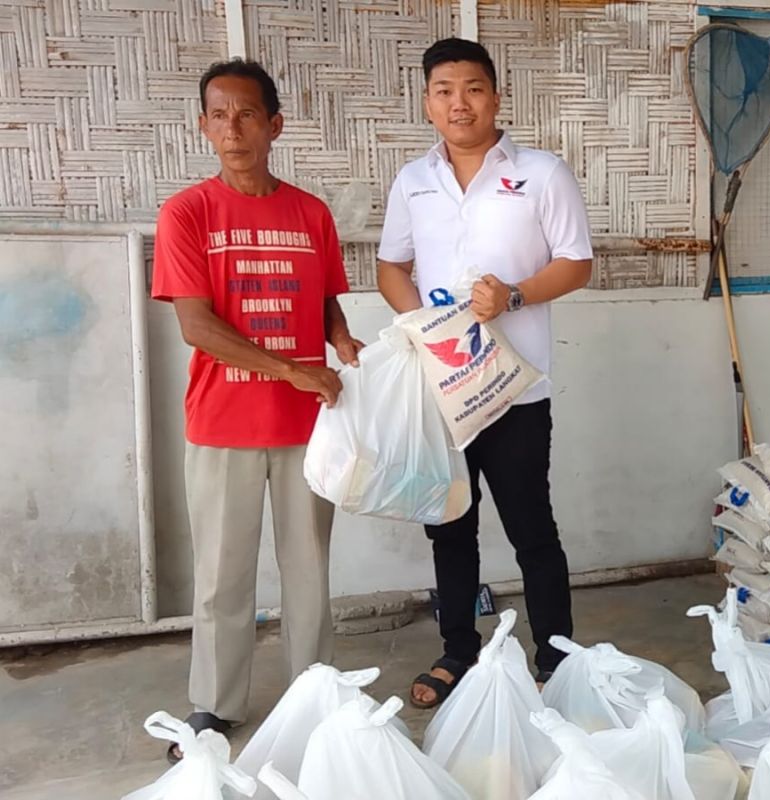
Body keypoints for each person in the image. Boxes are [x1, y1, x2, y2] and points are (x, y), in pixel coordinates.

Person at [151, 58, 363, 760]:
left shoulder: (311, 213)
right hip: (223, 424)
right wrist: (291, 369)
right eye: (219, 114)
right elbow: (197, 326)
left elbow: (324, 298)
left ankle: (316, 691)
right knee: (221, 576)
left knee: (310, 570)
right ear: (203, 125)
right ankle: (215, 706)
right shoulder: (188, 213)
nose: (232, 129)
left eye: (247, 114)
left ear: (275, 124)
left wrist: (341, 342)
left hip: (309, 428)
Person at [377, 37, 593, 708]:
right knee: (448, 524)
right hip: (445, 391)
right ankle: (457, 651)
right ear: (427, 103)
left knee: (532, 526)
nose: (458, 102)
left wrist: (515, 296)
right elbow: (391, 266)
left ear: (496, 96)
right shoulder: (414, 180)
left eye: (471, 88)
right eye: (443, 90)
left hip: (518, 388)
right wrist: (423, 326)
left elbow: (577, 261)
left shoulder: (541, 173)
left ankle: (555, 656)